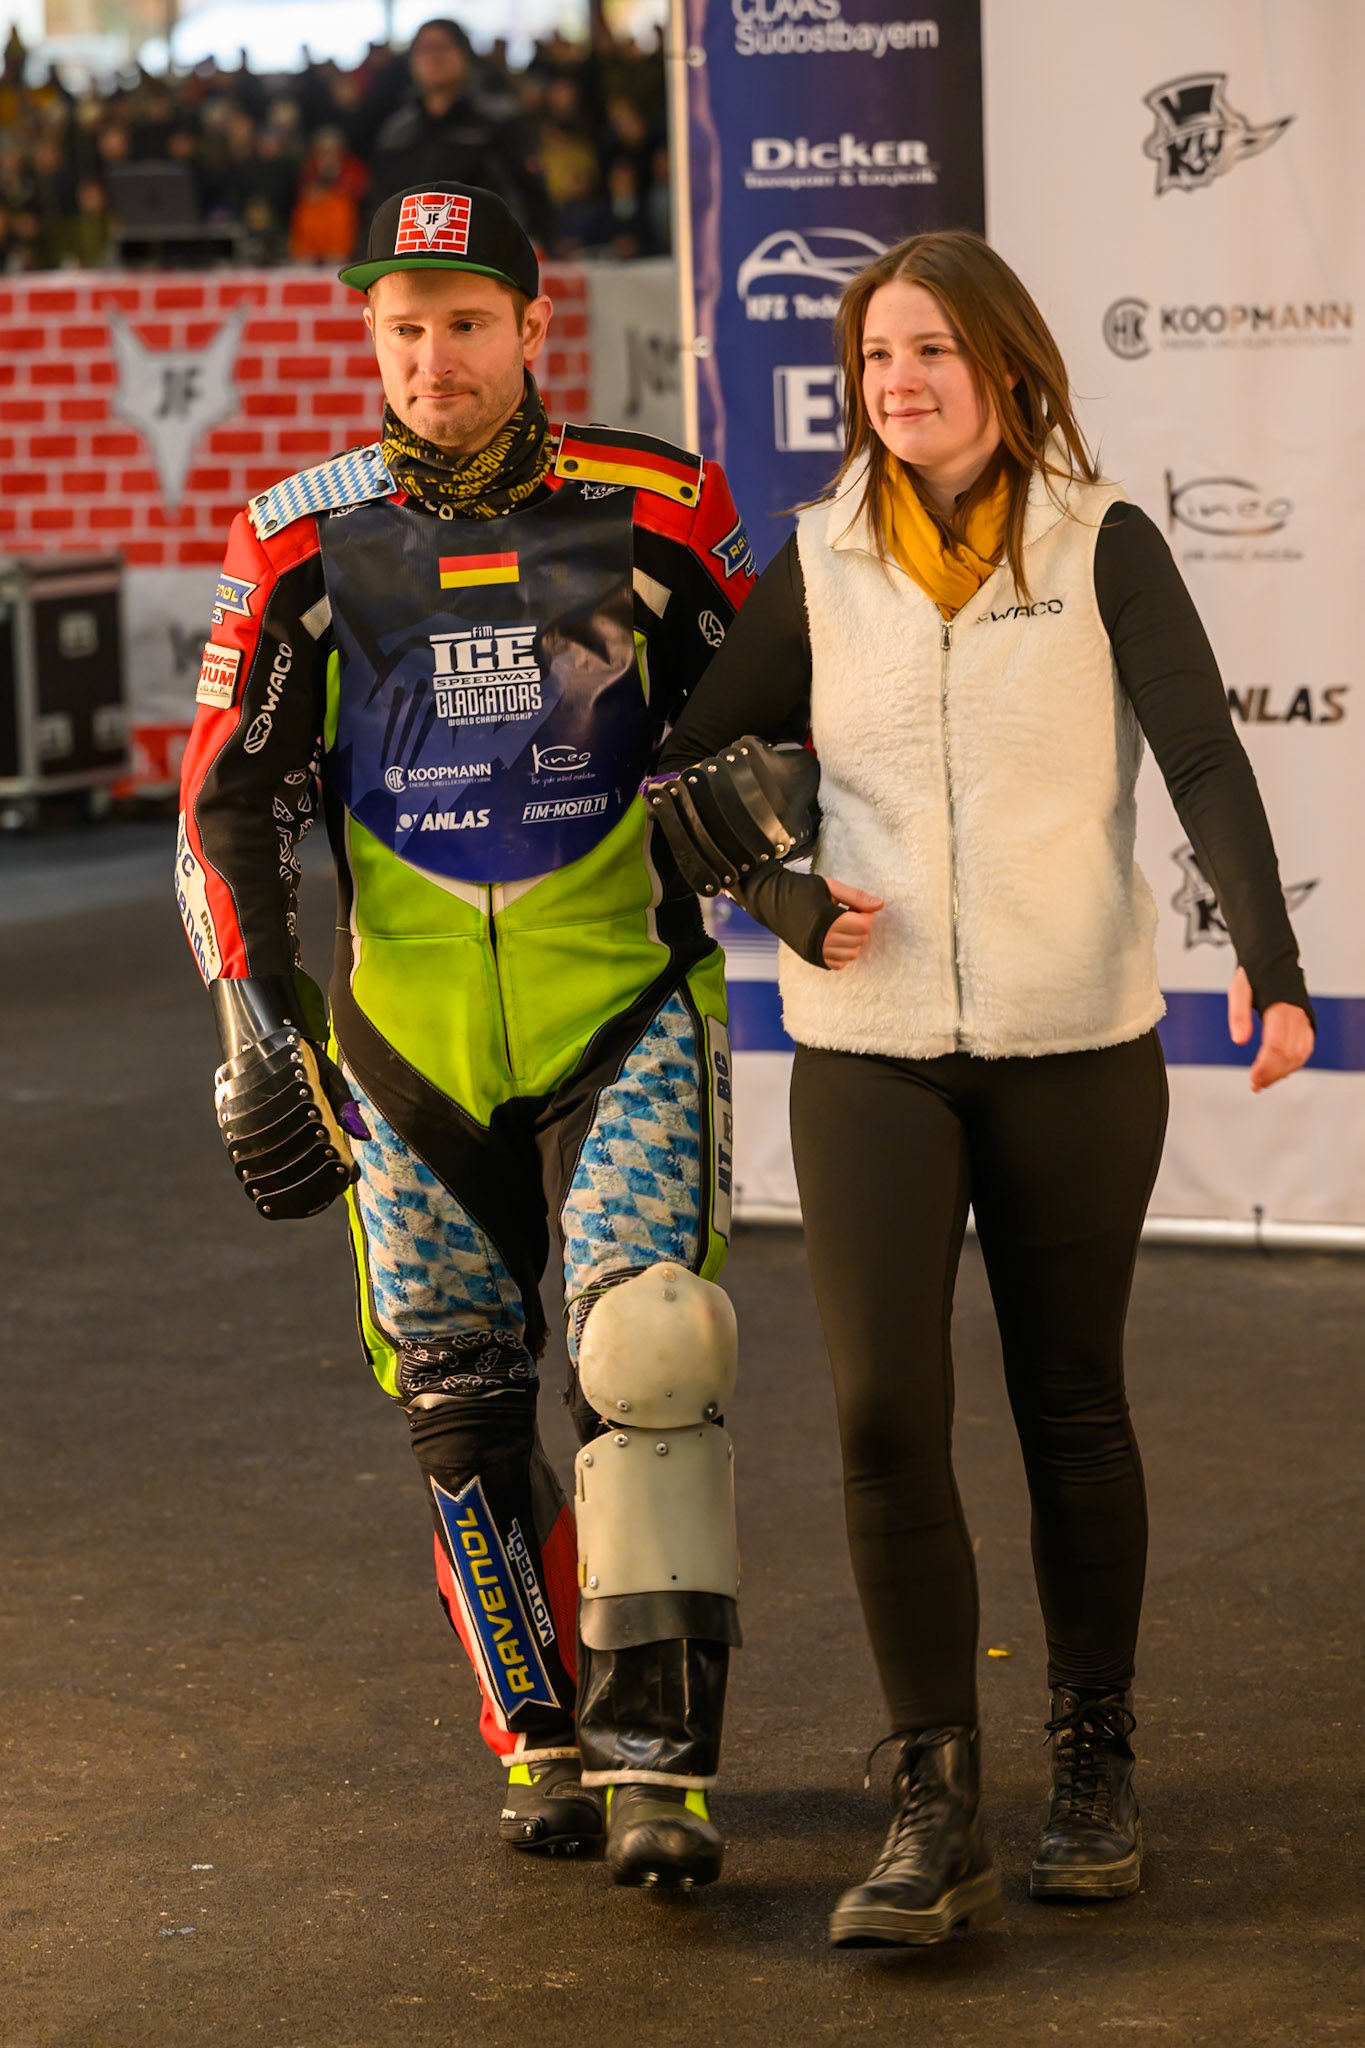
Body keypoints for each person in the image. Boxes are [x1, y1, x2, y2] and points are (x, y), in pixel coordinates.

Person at [653, 229, 1315, 1945]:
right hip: (869, 1053)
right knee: (883, 1418)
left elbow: (1202, 754)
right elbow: (685, 774)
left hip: (1074, 1047)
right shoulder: (819, 557)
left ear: (1007, 368)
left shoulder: (1103, 542)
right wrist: (789, 896)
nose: (901, 383)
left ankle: (1092, 1761)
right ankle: (929, 1798)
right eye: (879, 356)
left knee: (1070, 1403)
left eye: (933, 351)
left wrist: (1269, 956)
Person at [175, 182, 756, 1888]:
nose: (435, 357)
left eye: (468, 322)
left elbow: (765, 710)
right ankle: (548, 1732)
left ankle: (668, 1760)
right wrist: (254, 1026)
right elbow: (228, 805)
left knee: (651, 1354)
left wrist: (755, 811)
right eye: (404, 326)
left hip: (625, 1002)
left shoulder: (661, 505)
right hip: (402, 1042)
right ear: (371, 335)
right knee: (461, 1400)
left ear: (532, 326)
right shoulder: (293, 537)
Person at [367, 20, 551, 245]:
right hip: (411, 257)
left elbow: (531, 197)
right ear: (412, 61)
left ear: (464, 54)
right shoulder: (396, 133)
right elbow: (380, 207)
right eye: (425, 49)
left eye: (443, 46)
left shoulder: (502, 120)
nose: (434, 57)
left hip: (489, 256)